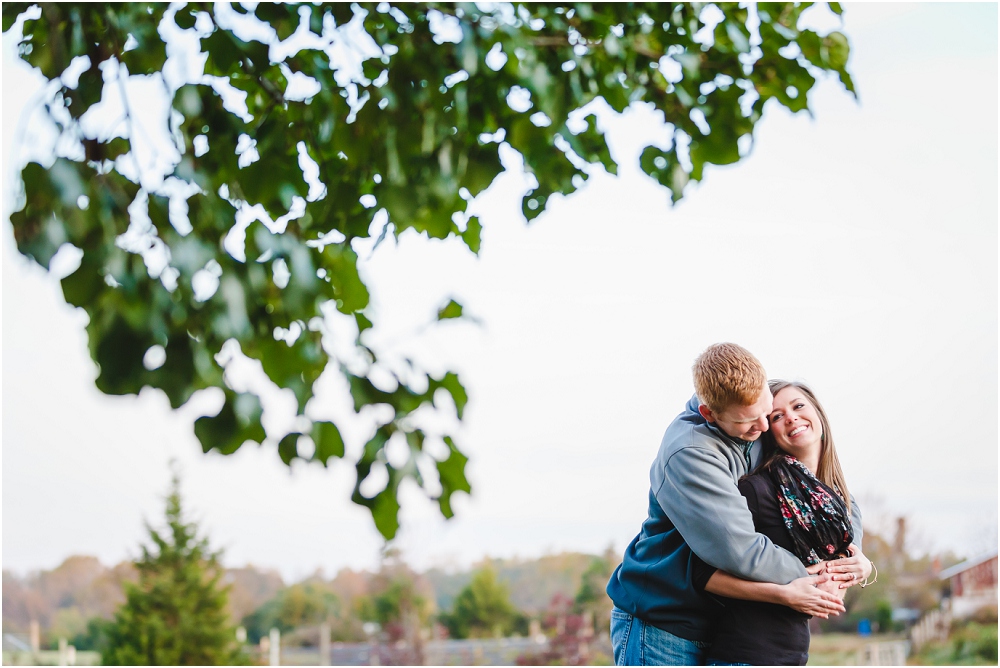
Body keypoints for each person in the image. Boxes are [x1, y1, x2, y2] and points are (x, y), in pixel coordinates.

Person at [606, 343, 871, 665]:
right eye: (748, 423)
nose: (762, 428)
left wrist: (852, 556)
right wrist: (821, 576)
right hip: (665, 615)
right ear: (710, 413)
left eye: (765, 412)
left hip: (722, 620)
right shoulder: (691, 453)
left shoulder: (754, 414)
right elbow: (740, 549)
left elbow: (828, 494)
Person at [692, 380, 874, 665]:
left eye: (798, 406)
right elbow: (702, 575)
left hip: (794, 654)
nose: (791, 417)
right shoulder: (757, 489)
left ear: (819, 415)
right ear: (769, 431)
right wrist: (783, 594)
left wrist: (862, 567)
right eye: (777, 416)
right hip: (744, 654)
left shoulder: (837, 501)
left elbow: (830, 577)